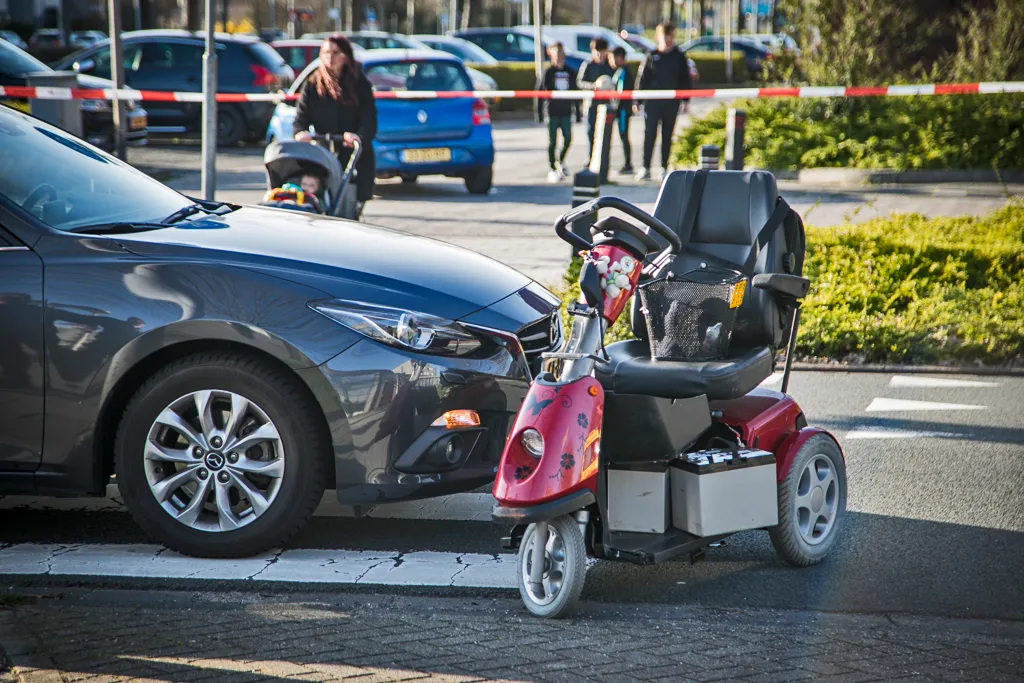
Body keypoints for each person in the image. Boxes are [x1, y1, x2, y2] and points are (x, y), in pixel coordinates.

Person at [293, 34, 377, 214]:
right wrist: (301, 132)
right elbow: (300, 118)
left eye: (335, 52)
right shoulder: (312, 84)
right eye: (325, 53)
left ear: (345, 55)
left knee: (348, 206)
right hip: (325, 155)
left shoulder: (360, 84)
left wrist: (359, 138)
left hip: (354, 155)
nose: (330, 57)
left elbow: (369, 119)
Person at [634, 21, 692, 181]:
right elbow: (642, 79)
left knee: (667, 135)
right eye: (664, 37)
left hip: (671, 102)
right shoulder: (651, 56)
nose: (667, 41)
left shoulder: (679, 56)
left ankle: (664, 167)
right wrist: (636, 100)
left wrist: (686, 100)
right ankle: (645, 167)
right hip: (652, 102)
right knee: (649, 134)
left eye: (670, 37)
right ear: (658, 37)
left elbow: (685, 79)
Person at [536, 42, 581, 183]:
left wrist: (578, 112)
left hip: (566, 111)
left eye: (561, 53)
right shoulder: (548, 73)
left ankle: (560, 160)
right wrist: (539, 113)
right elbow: (539, 93)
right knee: (552, 142)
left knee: (568, 138)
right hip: (552, 112)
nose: (559, 56)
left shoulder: (570, 72)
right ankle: (553, 166)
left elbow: (576, 93)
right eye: (556, 53)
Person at [576, 37, 614, 165]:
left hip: (606, 104)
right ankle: (591, 156)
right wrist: (593, 86)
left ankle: (603, 160)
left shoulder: (610, 66)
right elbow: (579, 82)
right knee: (590, 131)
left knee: (605, 132)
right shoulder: (588, 65)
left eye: (601, 52)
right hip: (591, 104)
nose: (599, 55)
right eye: (596, 52)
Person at [609, 46, 633, 175]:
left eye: (612, 58)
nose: (610, 61)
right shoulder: (619, 71)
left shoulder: (623, 72)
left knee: (624, 135)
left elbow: (620, 92)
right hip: (621, 108)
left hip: (623, 109)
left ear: (619, 58)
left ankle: (628, 164)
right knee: (623, 135)